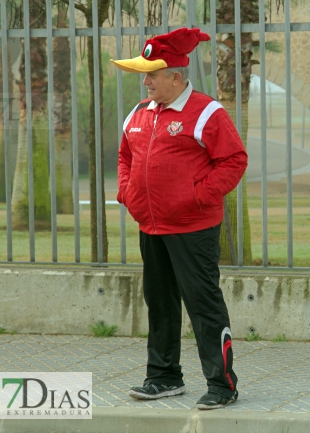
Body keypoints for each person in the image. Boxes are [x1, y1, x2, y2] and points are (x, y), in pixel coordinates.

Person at [113, 27, 248, 410]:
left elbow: (234, 160)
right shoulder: (139, 113)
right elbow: (124, 157)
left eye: (152, 74)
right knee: (159, 302)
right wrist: (127, 192)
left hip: (193, 228)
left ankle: (222, 385)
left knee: (203, 305)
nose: (146, 80)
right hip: (150, 226)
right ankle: (163, 377)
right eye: (145, 74)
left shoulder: (207, 112)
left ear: (176, 76)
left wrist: (197, 197)